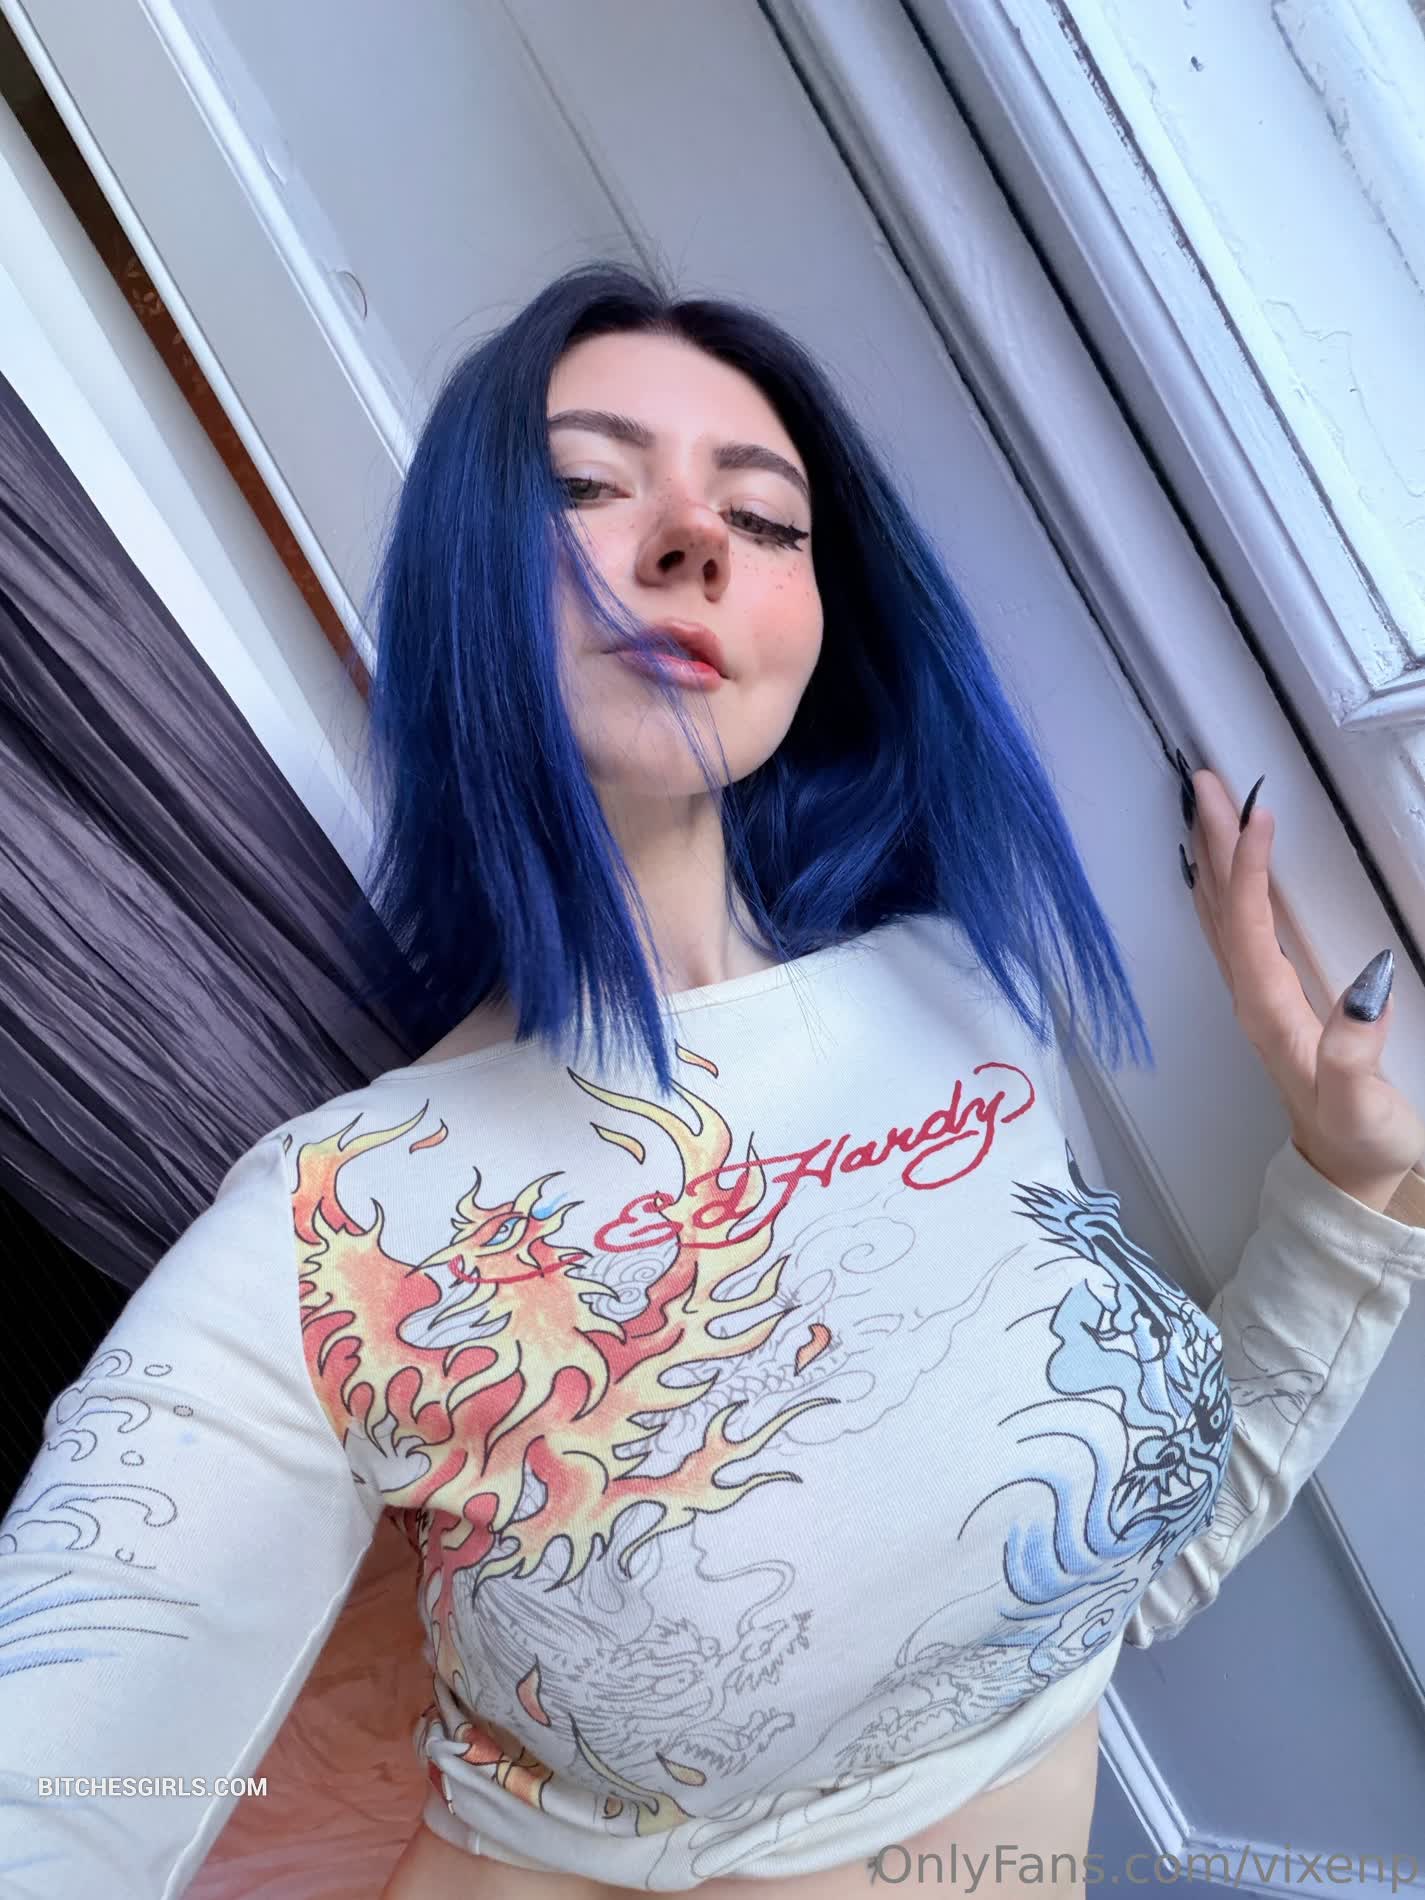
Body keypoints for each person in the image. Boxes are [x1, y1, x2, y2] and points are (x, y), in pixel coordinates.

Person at [3, 261, 1423, 1900]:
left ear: (816, 625)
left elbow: (1099, 1586)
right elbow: (61, 1791)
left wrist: (1344, 1189)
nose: (692, 539)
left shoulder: (963, 994)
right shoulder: (338, 1226)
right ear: (465, 579)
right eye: (588, 488)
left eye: (763, 518)